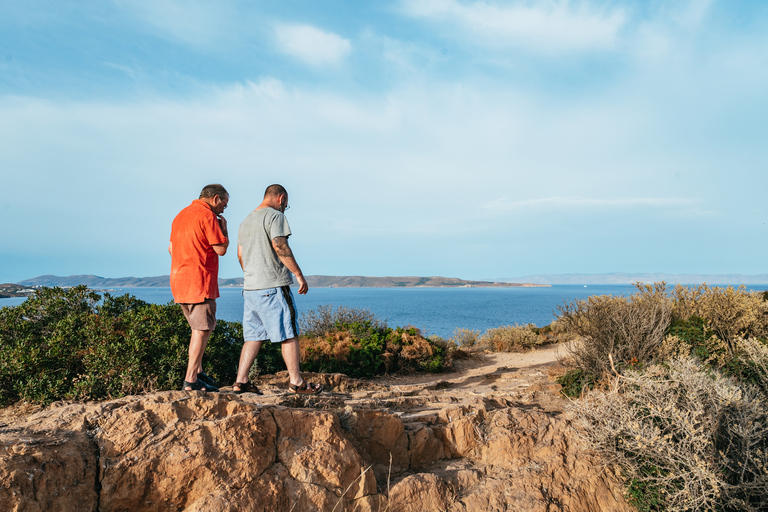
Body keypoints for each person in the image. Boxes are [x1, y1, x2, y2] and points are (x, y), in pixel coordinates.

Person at [233, 184, 321, 395]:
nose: (285, 208)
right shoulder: (275, 216)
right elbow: (279, 244)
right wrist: (298, 275)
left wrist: (253, 275)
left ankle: (241, 381)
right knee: (289, 333)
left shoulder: (245, 221)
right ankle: (296, 382)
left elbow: (240, 255)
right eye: (286, 205)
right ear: (281, 199)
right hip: (272, 286)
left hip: (250, 288)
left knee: (253, 336)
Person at [169, 184, 230, 392]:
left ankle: (198, 372)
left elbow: (171, 248)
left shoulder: (180, 215)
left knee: (197, 331)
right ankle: (191, 380)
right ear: (215, 199)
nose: (224, 209)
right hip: (200, 281)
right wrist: (225, 229)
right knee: (202, 331)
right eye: (224, 203)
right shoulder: (208, 216)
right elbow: (221, 249)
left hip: (179, 281)